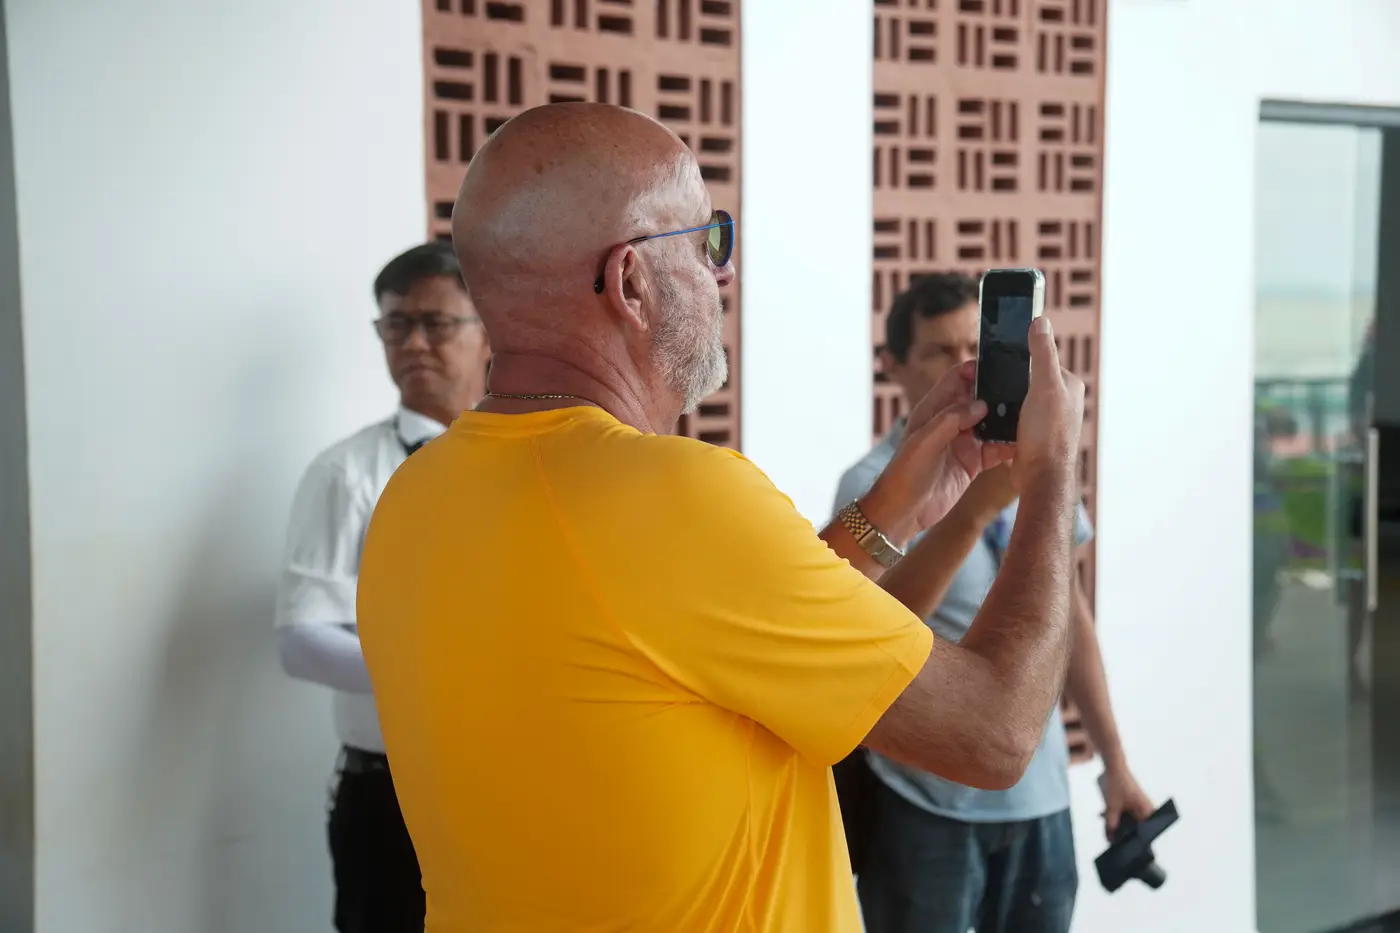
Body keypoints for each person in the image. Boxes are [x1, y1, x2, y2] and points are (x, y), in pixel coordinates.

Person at [356, 102, 1085, 933]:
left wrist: (895, 509)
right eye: (707, 240)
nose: (724, 274)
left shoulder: (412, 497)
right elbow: (995, 734)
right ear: (632, 282)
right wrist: (1052, 471)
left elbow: (700, 644)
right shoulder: (676, 497)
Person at [834, 273, 1152, 933]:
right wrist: (973, 510)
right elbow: (873, 628)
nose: (964, 366)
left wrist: (1115, 764)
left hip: (1040, 800)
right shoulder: (873, 489)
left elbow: (1070, 621)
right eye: (937, 352)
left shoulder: (1028, 464)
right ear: (893, 365)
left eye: (970, 348)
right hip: (925, 806)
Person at [274, 241, 490, 933]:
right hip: (390, 795)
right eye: (396, 324)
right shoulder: (346, 473)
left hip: (507, 782)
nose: (414, 342)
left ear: (488, 330)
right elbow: (301, 640)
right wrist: (442, 679)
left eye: (437, 323)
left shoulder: (527, 462)